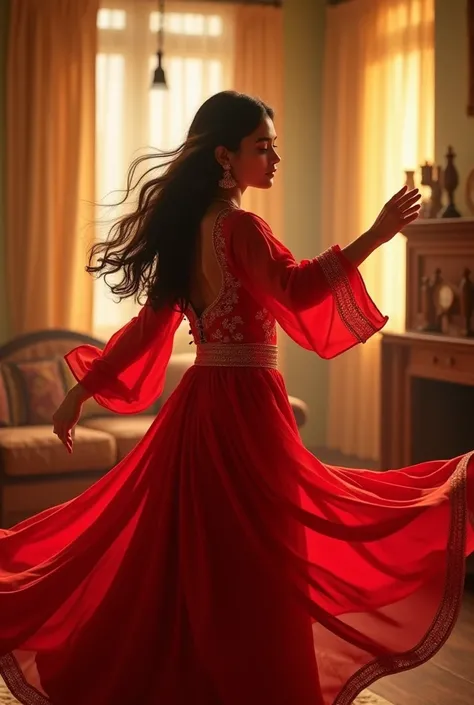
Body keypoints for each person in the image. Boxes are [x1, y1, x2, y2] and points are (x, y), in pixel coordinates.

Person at [0, 91, 472, 705]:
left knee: (201, 552)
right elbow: (297, 291)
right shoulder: (240, 225)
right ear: (225, 156)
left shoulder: (193, 228)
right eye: (262, 146)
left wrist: (79, 391)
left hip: (200, 409)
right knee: (261, 553)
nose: (275, 158)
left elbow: (150, 329)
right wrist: (376, 235)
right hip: (245, 406)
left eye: (274, 146)